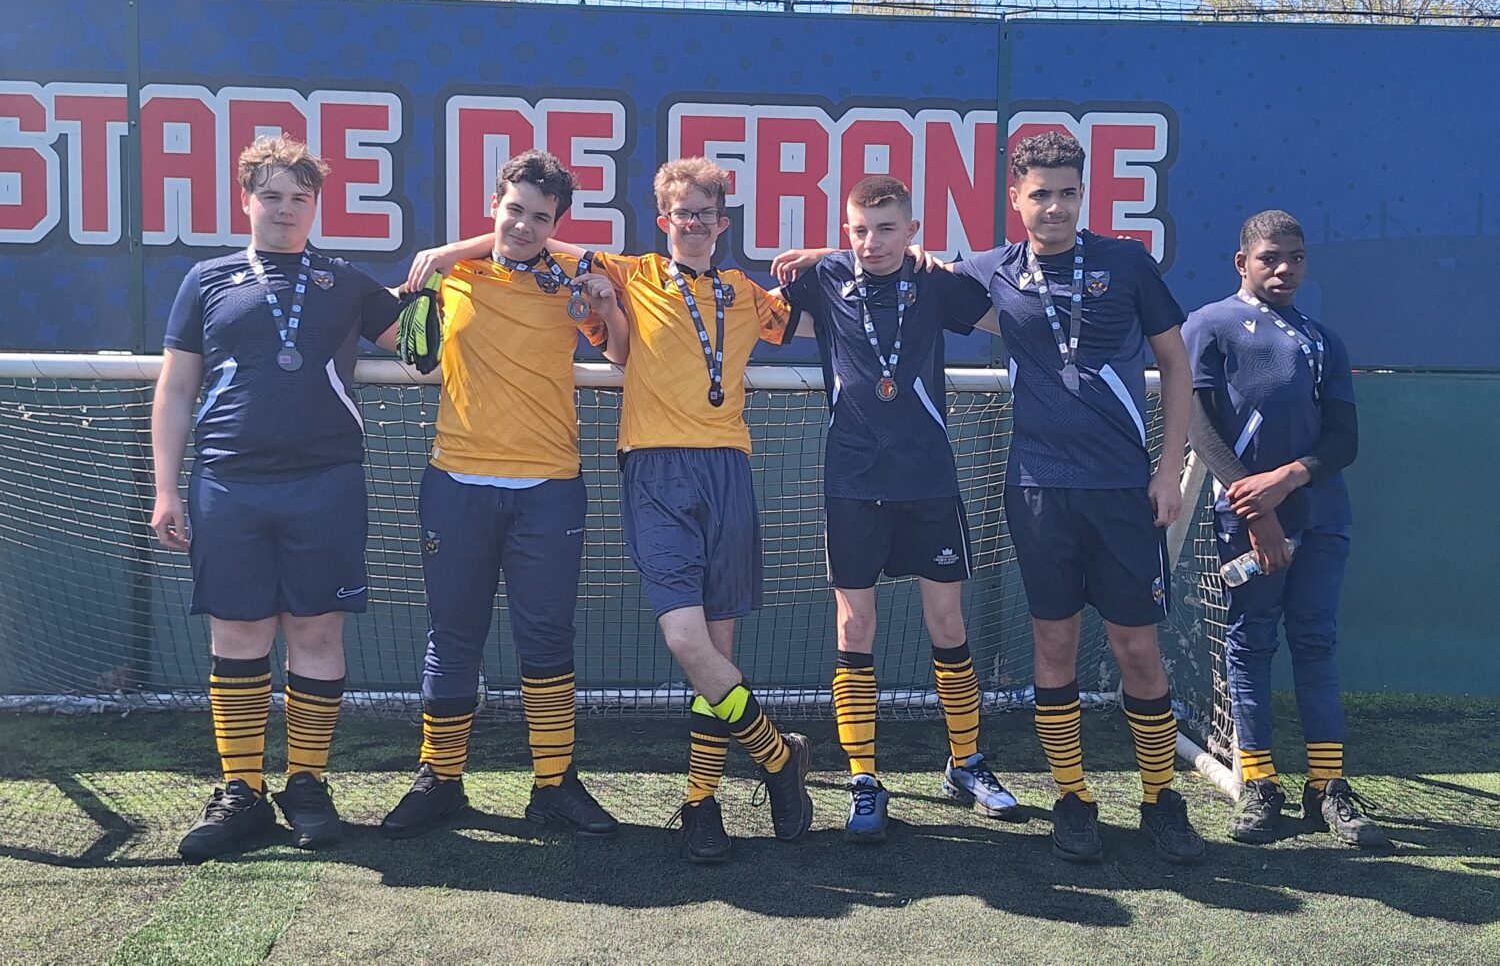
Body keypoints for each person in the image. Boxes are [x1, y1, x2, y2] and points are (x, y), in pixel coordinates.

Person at [412, 156, 814, 865]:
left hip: (725, 469)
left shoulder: (748, 293)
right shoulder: (628, 272)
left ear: (724, 222)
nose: (692, 224)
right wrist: (450, 250)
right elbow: (535, 247)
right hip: (650, 469)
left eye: (706, 214)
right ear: (663, 221)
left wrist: (843, 252)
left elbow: (828, 313)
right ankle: (777, 755)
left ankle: (700, 799)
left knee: (714, 651)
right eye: (680, 213)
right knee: (686, 642)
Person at [950, 130, 1206, 865]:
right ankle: (1073, 794)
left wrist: (1169, 467)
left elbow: (1176, 364)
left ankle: (1160, 796)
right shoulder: (993, 270)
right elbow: (905, 270)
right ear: (1016, 200)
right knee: (1054, 643)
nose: (1053, 206)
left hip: (1125, 491)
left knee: (1136, 648)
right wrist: (820, 258)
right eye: (1040, 194)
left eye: (1066, 192)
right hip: (1038, 491)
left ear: (1081, 193)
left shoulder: (1127, 262)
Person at [151, 135, 402, 862]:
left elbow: (429, 345)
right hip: (229, 479)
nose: (285, 208)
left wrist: (451, 266)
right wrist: (167, 488)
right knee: (238, 637)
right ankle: (241, 792)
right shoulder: (206, 279)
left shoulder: (347, 281)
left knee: (317, 634)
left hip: (326, 480)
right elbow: (174, 388)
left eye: (299, 196)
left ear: (316, 204)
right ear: (245, 199)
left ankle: (307, 782)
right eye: (271, 194)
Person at [379, 150, 630, 840]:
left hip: (549, 485)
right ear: (494, 201)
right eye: (513, 208)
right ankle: (440, 778)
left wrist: (604, 303)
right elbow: (399, 340)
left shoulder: (572, 275)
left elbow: (623, 354)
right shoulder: (450, 275)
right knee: (453, 636)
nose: (523, 224)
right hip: (456, 480)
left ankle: (553, 784)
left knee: (546, 637)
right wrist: (451, 256)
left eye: (540, 216)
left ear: (557, 223)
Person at [770, 175, 1021, 842]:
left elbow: (1010, 311)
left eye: (887, 228)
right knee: (855, 629)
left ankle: (966, 761)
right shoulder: (822, 275)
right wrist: (816, 254)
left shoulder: (935, 280)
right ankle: (863, 779)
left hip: (929, 482)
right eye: (859, 228)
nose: (871, 241)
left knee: (946, 621)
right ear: (844, 229)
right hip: (851, 484)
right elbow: (759, 322)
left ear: (913, 230)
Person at [1183, 210, 1384, 847]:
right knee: (1251, 645)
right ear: (1241, 262)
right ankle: (1260, 784)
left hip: (1322, 517)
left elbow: (1344, 441)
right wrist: (1260, 512)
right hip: (1246, 524)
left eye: (1295, 257)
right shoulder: (1209, 325)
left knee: (1317, 644)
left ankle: (1326, 787)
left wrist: (1291, 478)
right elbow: (1199, 428)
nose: (1284, 268)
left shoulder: (1323, 338)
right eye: (1270, 257)